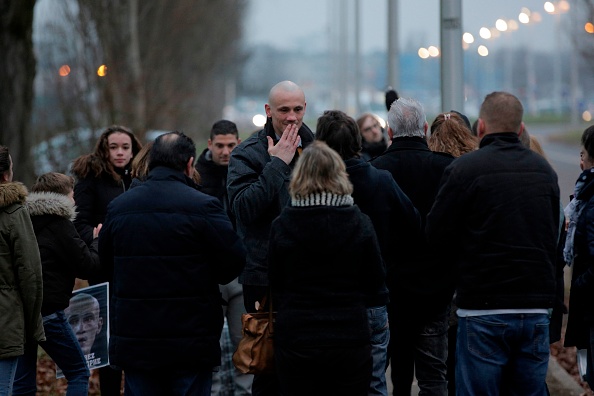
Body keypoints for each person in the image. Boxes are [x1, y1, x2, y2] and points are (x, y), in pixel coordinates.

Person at [426, 91, 560, 395]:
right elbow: (552, 234)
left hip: (482, 308)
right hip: (535, 307)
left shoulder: (463, 171)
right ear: (521, 128)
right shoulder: (545, 173)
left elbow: (436, 235)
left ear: (481, 127)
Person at [99, 131, 246, 395]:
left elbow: (105, 265)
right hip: (190, 340)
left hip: (136, 339)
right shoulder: (205, 207)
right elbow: (233, 261)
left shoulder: (120, 207)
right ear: (190, 163)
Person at [315, 109, 421, 396]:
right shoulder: (380, 180)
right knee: (374, 382)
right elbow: (413, 224)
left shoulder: (310, 187)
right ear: (357, 141)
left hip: (325, 300)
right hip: (373, 294)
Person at [268, 141, 386, 396]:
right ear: (338, 174)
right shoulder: (360, 222)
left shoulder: (282, 225)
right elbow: (376, 283)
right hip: (349, 337)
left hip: (297, 336)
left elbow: (276, 284)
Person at [227, 80, 314, 396]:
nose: (292, 118)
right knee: (268, 366)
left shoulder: (317, 149)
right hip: (264, 277)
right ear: (268, 111)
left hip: (309, 274)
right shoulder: (248, 153)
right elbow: (243, 209)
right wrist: (277, 164)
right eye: (284, 110)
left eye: (297, 109)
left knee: (306, 363)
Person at [370, 98, 455, 396]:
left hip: (393, 292)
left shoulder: (376, 171)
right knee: (434, 376)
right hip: (437, 290)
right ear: (424, 128)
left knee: (399, 377)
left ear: (390, 132)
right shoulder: (448, 169)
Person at [13, 172, 101, 396]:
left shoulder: (22, 219)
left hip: (21, 311)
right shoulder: (60, 224)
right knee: (79, 372)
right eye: (73, 195)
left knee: (22, 383)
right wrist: (96, 240)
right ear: (63, 197)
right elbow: (87, 266)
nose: (75, 200)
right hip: (49, 311)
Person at [71, 124, 142, 396]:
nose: (121, 153)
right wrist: (97, 237)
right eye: (114, 147)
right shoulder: (91, 180)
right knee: (108, 342)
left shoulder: (139, 178)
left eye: (126, 147)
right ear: (104, 149)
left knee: (134, 337)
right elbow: (79, 222)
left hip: (136, 269)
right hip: (104, 268)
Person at [195, 120, 252, 396]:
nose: (225, 151)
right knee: (210, 345)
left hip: (241, 268)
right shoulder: (196, 174)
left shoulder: (245, 168)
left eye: (231, 145)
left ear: (238, 143)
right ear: (210, 145)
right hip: (208, 273)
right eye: (220, 145)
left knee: (246, 345)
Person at [427, 111, 477, 394]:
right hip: (472, 281)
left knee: (440, 368)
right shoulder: (478, 167)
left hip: (439, 284)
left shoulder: (433, 168)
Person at [0, 145, 45, 396]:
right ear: (7, 174)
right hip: (5, 317)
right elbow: (30, 274)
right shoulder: (15, 213)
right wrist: (33, 322)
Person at [563, 125, 594, 389]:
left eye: (582, 153)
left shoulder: (591, 199)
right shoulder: (586, 194)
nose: (580, 159)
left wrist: (582, 284)